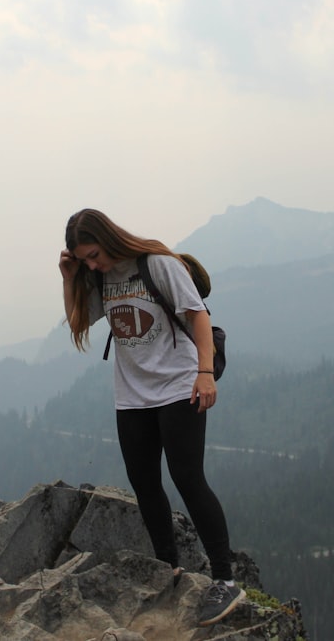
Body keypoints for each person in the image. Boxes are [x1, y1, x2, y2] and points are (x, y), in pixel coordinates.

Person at [59, 208, 245, 627]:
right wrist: (70, 278)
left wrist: (204, 372)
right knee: (144, 483)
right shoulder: (99, 277)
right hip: (132, 395)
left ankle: (225, 579)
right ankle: (169, 568)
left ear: (107, 238)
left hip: (180, 384)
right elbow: (77, 324)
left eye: (93, 255)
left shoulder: (156, 265)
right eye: (84, 259)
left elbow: (198, 315)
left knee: (187, 478)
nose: (93, 263)